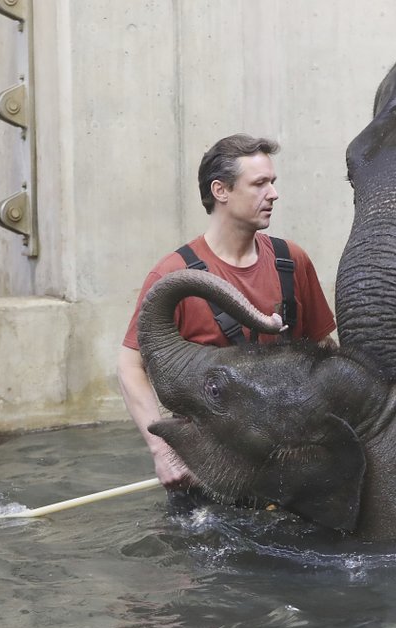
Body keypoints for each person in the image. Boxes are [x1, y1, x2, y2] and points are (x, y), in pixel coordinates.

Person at [118, 134, 336, 489]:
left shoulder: (292, 261)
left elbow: (325, 351)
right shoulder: (173, 276)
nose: (273, 194)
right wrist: (162, 450)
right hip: (211, 473)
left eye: (273, 183)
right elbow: (129, 366)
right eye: (259, 184)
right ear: (221, 191)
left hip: (294, 467)